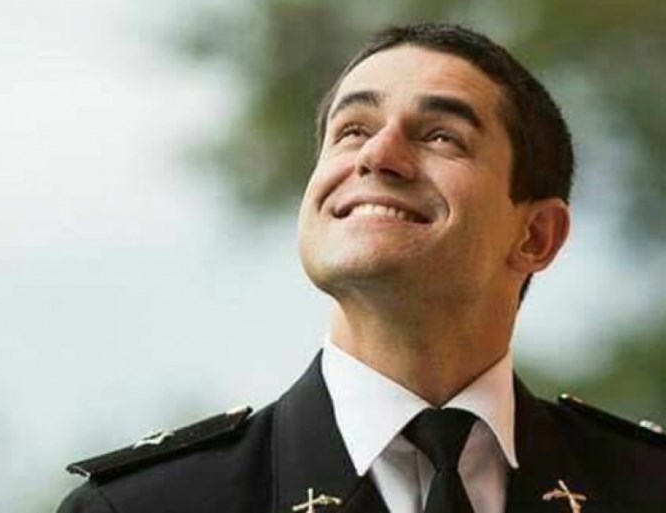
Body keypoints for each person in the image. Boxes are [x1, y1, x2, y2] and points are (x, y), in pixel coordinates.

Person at [56, 23, 666, 513]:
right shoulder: (141, 505)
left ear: (535, 236)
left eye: (441, 136)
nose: (377, 155)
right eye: (351, 130)